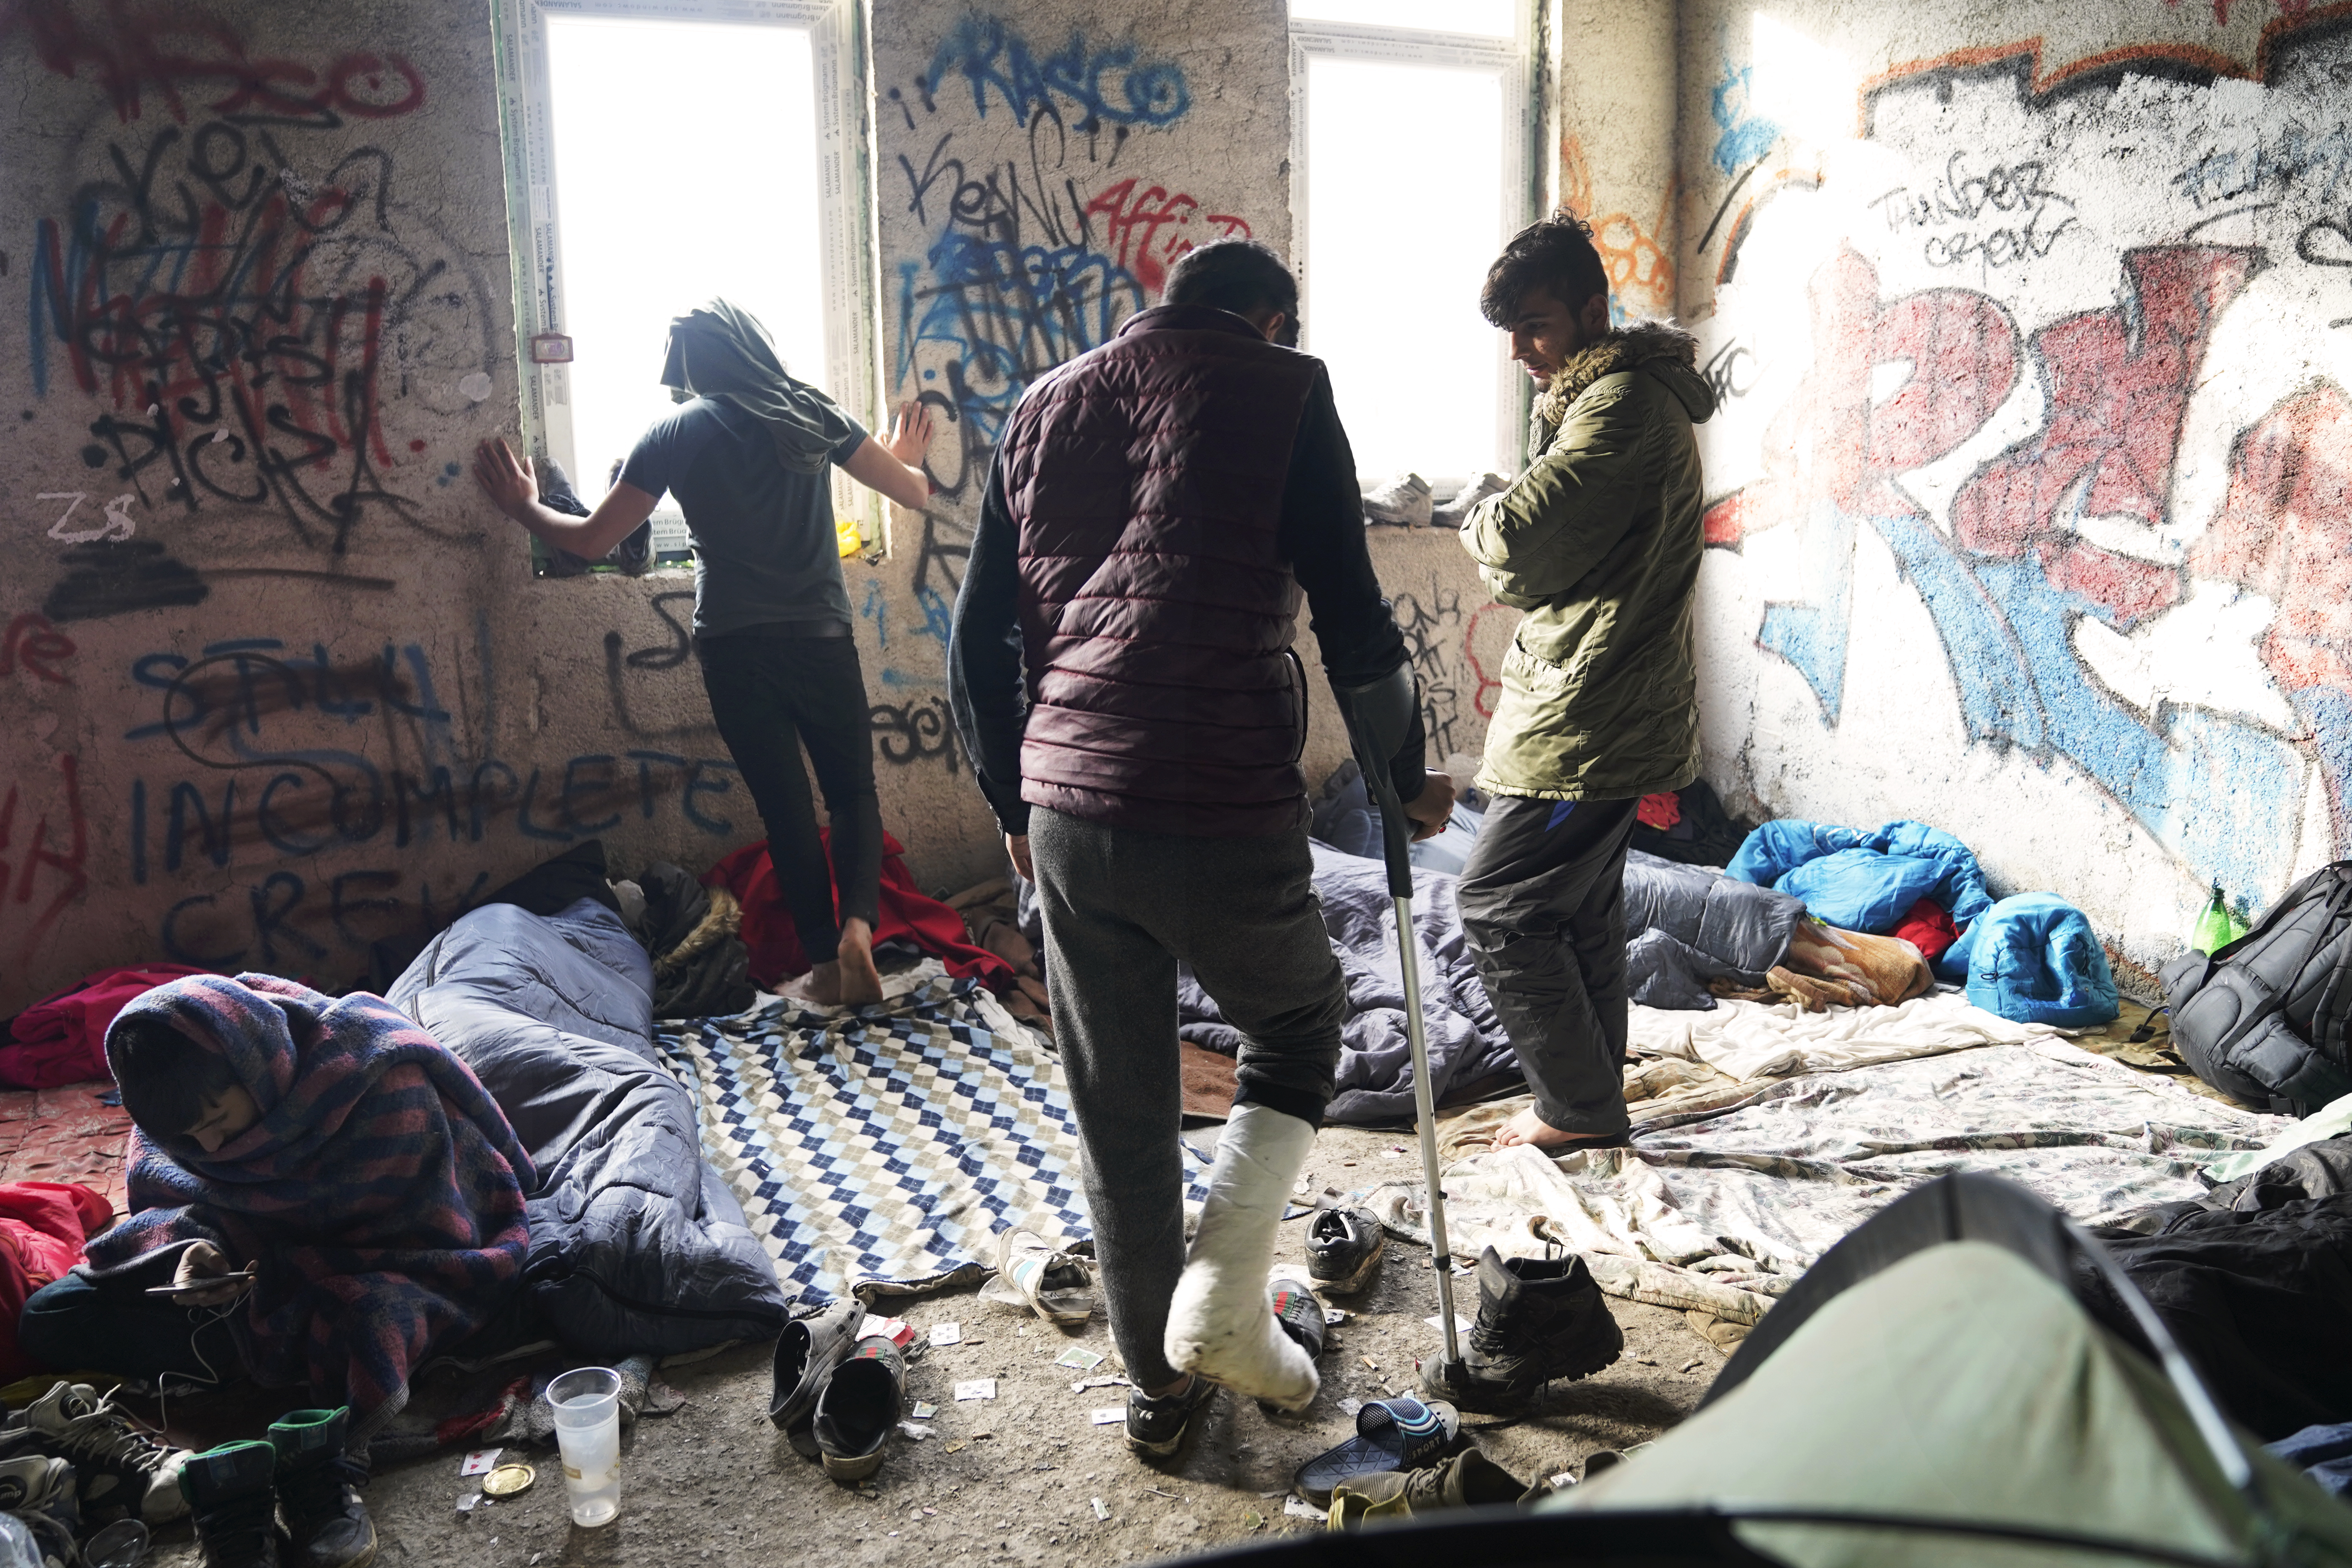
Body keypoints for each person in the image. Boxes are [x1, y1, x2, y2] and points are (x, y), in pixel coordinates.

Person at [949, 239, 1453, 1455]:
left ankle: (1156, 1393)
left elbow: (977, 640)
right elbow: (1351, 612)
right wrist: (1401, 777)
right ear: (1271, 319)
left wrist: (1014, 805)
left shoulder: (1041, 405)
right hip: (1216, 789)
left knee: (1119, 1110)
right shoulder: (1286, 386)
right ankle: (1224, 1298)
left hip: (1068, 808)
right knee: (1298, 1024)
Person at [474, 300, 934, 1005]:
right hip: (822, 639)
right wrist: (905, 461)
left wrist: (523, 508)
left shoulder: (673, 432)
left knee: (786, 811)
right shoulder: (811, 411)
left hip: (735, 648)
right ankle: (858, 933)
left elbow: (592, 542)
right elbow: (913, 494)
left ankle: (822, 965)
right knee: (852, 795)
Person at [19, 972, 536, 1565]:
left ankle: (321, 1457)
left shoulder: (375, 1081)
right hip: (256, 1287)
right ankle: (280, 1369)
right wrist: (198, 1251)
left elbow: (434, 1230)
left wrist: (278, 1269)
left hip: (397, 1269)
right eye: (188, 1138)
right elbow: (178, 1201)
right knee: (51, 1316)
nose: (211, 1149)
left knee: (366, 1321)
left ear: (252, 1068)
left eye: (218, 1119)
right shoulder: (178, 1109)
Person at [1453, 212, 1718, 1150]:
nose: (1520, 351)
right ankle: (1590, 1099)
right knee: (1579, 915)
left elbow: (1519, 545)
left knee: (1499, 906)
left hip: (1587, 713)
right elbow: (1544, 562)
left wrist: (1479, 520)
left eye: (1536, 326)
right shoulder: (1604, 400)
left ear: (1593, 313)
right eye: (1511, 332)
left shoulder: (1617, 408)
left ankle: (1576, 1108)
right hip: (1599, 702)